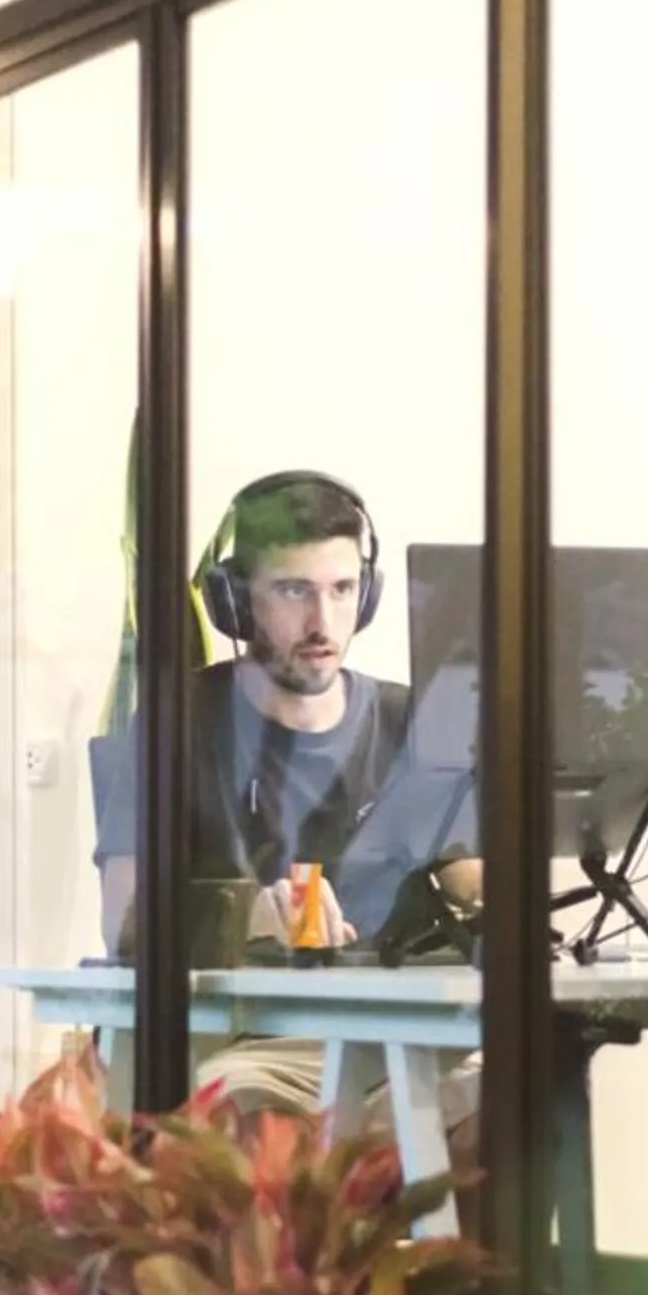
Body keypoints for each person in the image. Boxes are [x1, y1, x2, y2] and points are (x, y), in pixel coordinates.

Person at [92, 470, 482, 1124]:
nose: (323, 621)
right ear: (236, 602)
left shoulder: (409, 723)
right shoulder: (175, 725)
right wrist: (248, 917)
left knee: (530, 1082)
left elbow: (473, 879)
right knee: (245, 1109)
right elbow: (122, 924)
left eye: (343, 589)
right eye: (294, 591)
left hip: (394, 1036)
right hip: (248, 1040)